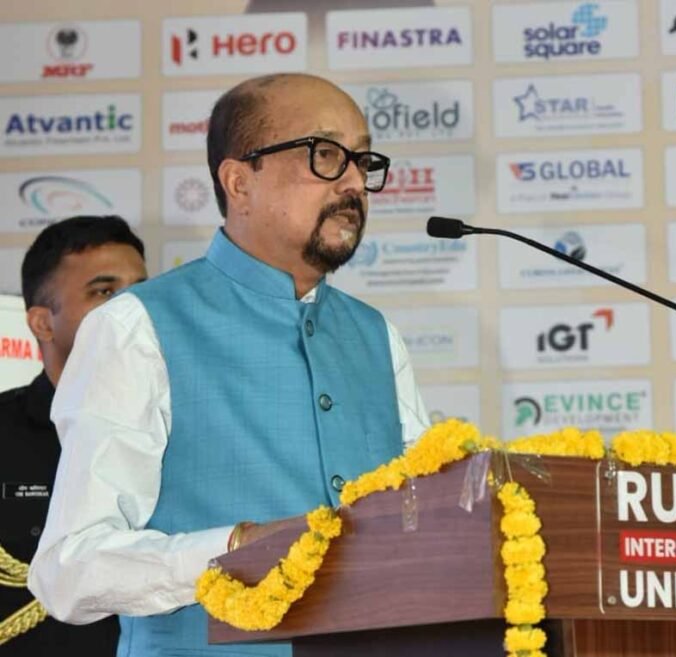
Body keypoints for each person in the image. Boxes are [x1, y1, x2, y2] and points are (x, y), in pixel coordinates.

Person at [29, 73, 430, 657]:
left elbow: (422, 525)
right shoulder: (136, 327)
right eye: (325, 155)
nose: (352, 181)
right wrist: (236, 547)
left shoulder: (377, 336)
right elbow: (69, 569)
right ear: (239, 182)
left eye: (361, 160)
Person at [0, 215, 147, 655]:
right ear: (42, 323)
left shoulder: (187, 430)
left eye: (141, 290)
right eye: (105, 292)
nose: (133, 308)